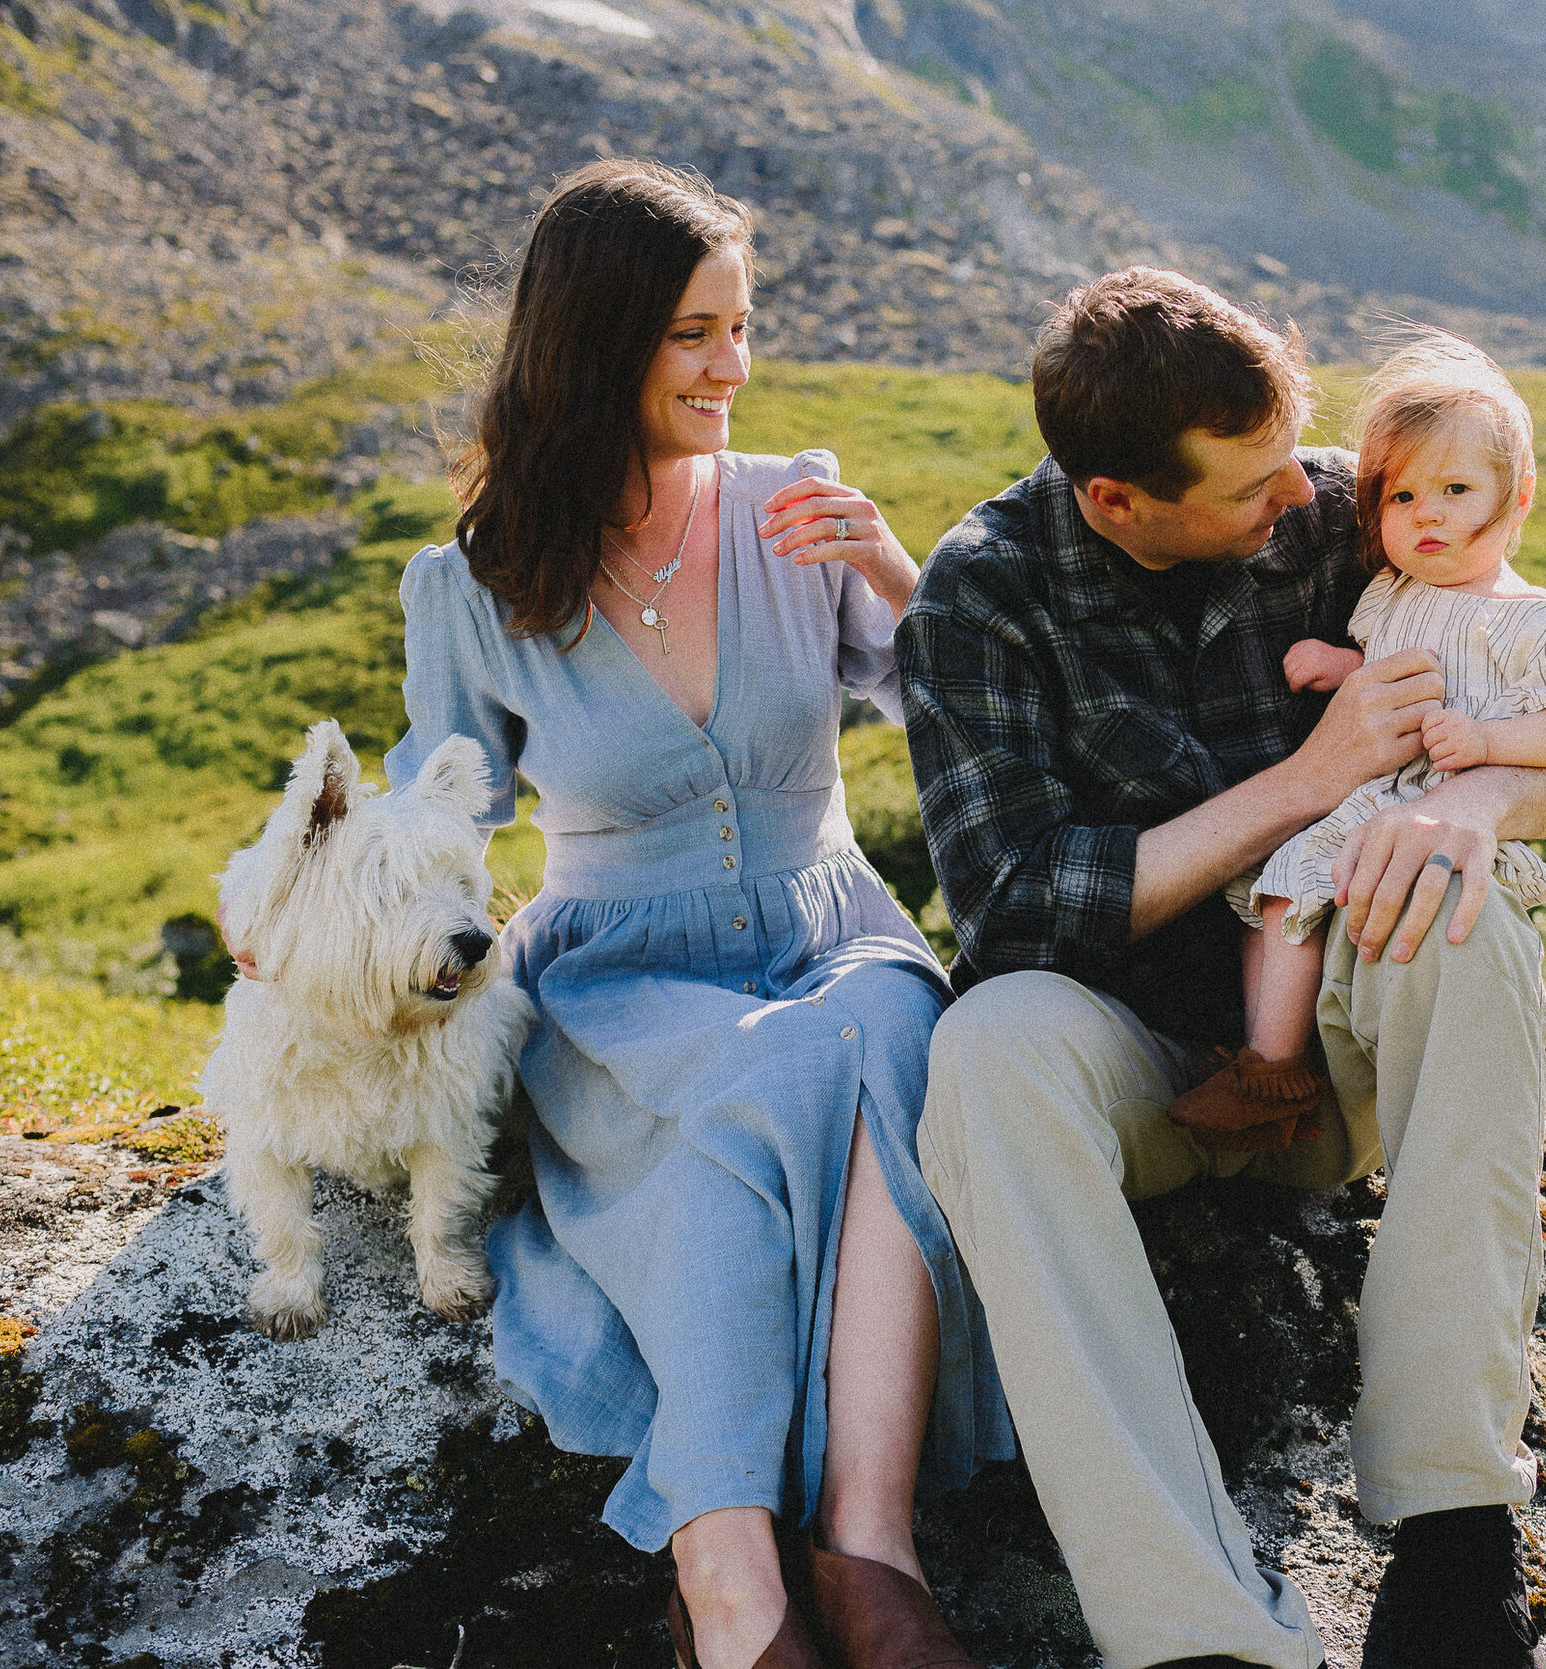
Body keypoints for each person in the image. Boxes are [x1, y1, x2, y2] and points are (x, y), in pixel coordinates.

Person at [898, 267, 1546, 1669]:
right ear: (1119, 500)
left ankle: (1452, 1535)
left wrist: (1471, 805)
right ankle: (1199, 1633)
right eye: (1250, 490)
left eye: (1296, 460)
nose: (1301, 504)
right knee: (985, 1050)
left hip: (1344, 1052)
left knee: (1455, 907)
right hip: (1149, 1070)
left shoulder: (1343, 512)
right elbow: (1010, 908)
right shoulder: (983, 593)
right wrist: (1311, 779)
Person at [384, 159, 1009, 1669]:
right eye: (692, 336)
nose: (734, 366)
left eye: (741, 326)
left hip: (829, 916)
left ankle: (869, 1546)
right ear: (595, 348)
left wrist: (897, 575)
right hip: (616, 971)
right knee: (776, 1078)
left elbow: (961, 723)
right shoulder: (467, 587)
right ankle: (731, 1573)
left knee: (877, 1031)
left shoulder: (801, 503)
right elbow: (441, 824)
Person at [1169, 330, 1546, 1142]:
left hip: (1439, 815)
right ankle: (1271, 1065)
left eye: (1455, 488)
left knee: (1378, 918)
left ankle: (1289, 1078)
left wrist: (1487, 746)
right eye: (1403, 498)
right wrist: (1343, 665)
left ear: (1517, 498)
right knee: (1278, 891)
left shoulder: (1535, 623)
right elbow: (1392, 673)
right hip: (1369, 801)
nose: (1429, 515)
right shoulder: (1392, 592)